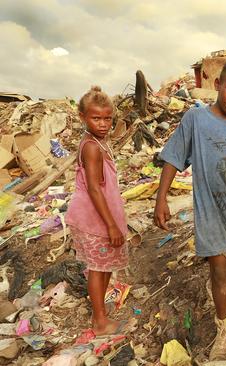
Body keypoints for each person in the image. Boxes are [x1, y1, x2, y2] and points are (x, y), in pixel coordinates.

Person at [154, 57, 226, 360]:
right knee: (219, 269)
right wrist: (161, 198)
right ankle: (225, 326)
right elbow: (174, 157)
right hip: (211, 210)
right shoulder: (196, 119)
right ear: (217, 85)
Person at [66, 86, 128, 336]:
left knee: (104, 266)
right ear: (83, 117)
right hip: (93, 219)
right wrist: (111, 225)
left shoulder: (100, 142)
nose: (103, 124)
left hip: (102, 215)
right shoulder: (91, 147)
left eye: (107, 119)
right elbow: (93, 189)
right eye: (96, 118)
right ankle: (100, 321)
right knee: (97, 268)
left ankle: (99, 312)